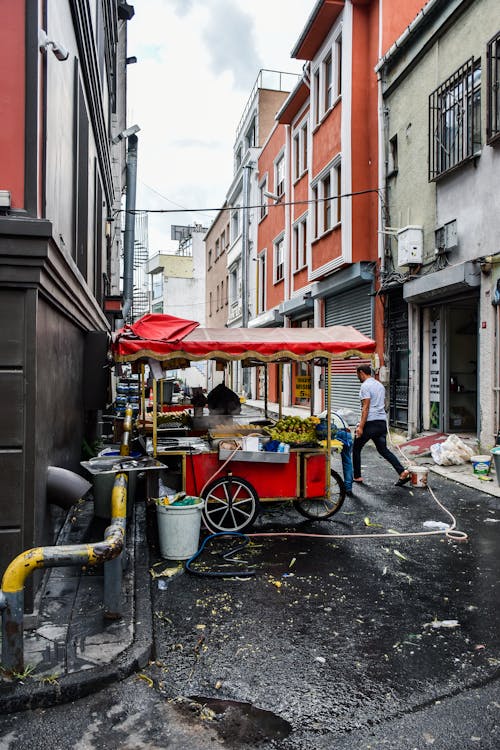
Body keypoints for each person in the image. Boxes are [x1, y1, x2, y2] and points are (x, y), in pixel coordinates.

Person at [352, 364, 411, 486]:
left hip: (371, 422)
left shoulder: (365, 386)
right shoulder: (379, 385)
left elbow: (366, 407)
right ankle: (402, 472)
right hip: (381, 422)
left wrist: (361, 427)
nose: (358, 377)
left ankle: (357, 476)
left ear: (362, 373)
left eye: (357, 374)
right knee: (383, 450)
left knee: (356, 448)